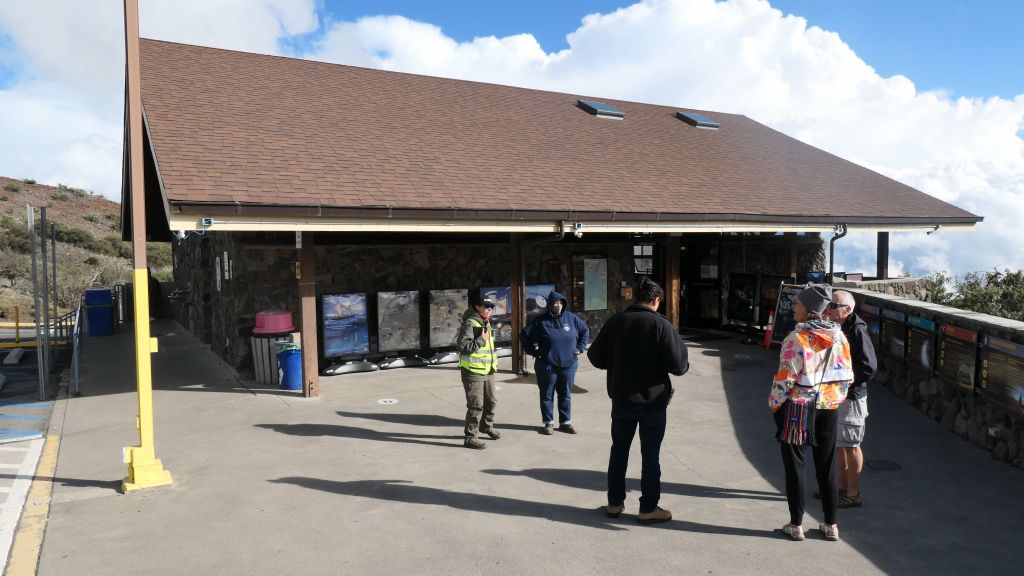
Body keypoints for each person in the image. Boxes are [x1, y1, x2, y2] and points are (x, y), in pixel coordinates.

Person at [587, 277, 689, 524]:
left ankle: (614, 503)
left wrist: (617, 362)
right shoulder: (660, 326)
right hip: (652, 403)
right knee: (650, 456)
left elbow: (595, 357)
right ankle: (648, 507)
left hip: (621, 400)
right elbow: (679, 366)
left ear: (636, 299)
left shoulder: (615, 322)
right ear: (656, 301)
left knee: (618, 451)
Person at [769, 284, 854, 542]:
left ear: (808, 310)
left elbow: (785, 378)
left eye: (798, 303)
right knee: (825, 465)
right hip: (828, 406)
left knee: (796, 465)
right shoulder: (839, 337)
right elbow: (847, 375)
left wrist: (775, 404)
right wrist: (834, 397)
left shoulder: (796, 339)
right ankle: (830, 524)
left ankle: (796, 524)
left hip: (798, 406)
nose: (793, 306)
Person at [825, 289, 877, 509]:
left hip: (852, 397)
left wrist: (844, 382)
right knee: (839, 443)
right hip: (839, 395)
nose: (828, 308)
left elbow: (869, 367)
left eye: (833, 306)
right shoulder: (839, 326)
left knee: (852, 444)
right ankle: (840, 488)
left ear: (847, 310)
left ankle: (853, 494)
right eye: (829, 304)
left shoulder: (856, 329)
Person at [519, 290, 589, 435]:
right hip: (547, 365)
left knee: (565, 394)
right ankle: (548, 423)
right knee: (547, 394)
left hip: (569, 365)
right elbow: (524, 336)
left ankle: (565, 422)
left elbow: (585, 330)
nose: (558, 306)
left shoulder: (571, 318)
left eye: (560, 303)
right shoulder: (540, 321)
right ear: (550, 305)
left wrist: (580, 348)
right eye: (555, 303)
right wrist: (534, 352)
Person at [456, 295, 500, 450]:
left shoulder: (485, 322)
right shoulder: (471, 323)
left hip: (487, 370)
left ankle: (486, 426)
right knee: (476, 406)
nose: (489, 309)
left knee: (491, 401)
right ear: (477, 307)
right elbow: (462, 346)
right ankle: (470, 437)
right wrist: (481, 340)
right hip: (473, 371)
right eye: (486, 305)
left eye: (491, 306)